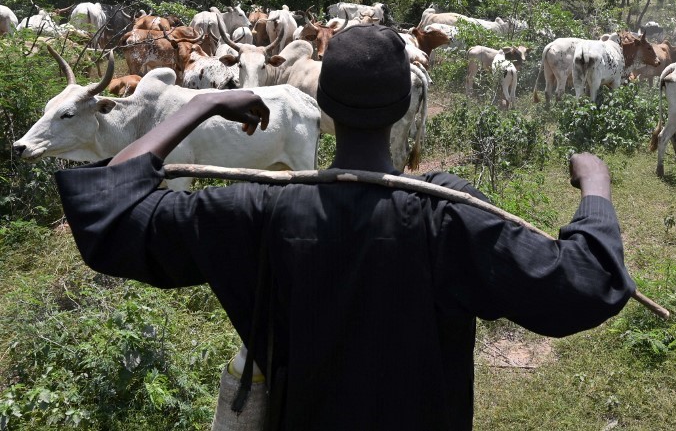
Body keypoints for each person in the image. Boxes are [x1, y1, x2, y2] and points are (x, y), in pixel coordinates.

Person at [54, 23, 636, 430]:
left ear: (320, 99)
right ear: (406, 103)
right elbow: (587, 284)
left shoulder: (259, 211)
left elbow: (110, 214)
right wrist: (595, 186)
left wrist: (197, 105)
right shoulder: (450, 215)